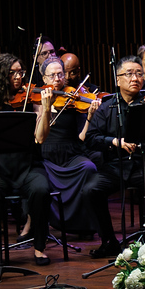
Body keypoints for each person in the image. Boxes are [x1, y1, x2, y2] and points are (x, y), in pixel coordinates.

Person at [84, 56, 145, 258]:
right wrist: (114, 141)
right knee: (91, 190)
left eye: (138, 73)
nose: (134, 78)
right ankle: (109, 241)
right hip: (114, 165)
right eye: (128, 74)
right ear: (118, 80)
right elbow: (90, 138)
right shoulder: (106, 107)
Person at [0, 53, 56, 266]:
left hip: (28, 166)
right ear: (1, 75)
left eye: (21, 72)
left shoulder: (31, 101)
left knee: (41, 190)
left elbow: (40, 138)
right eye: (13, 73)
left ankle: (39, 247)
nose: (19, 77)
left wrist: (46, 109)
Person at [34, 56, 103, 237]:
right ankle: (39, 224)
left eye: (60, 74)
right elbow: (38, 137)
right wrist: (46, 107)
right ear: (44, 79)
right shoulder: (37, 101)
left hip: (72, 153)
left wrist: (90, 116)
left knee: (89, 168)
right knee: (37, 178)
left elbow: (81, 138)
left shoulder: (73, 98)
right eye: (52, 76)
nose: (57, 79)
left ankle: (84, 226)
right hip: (46, 156)